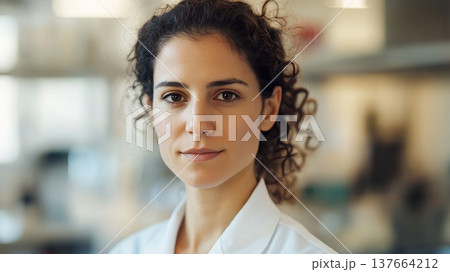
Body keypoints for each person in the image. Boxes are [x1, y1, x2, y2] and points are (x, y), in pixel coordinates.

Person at [110, 0, 335, 254]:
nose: (198, 124)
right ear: (152, 110)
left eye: (226, 95)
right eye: (174, 97)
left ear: (269, 109)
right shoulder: (126, 254)